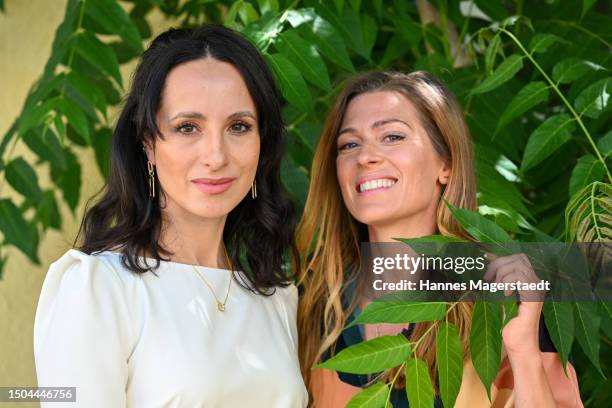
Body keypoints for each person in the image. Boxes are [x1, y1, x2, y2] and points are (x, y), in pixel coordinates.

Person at [34, 24, 307, 407]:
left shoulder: (276, 296)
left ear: (263, 142)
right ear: (148, 143)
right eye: (187, 127)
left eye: (239, 126)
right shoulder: (99, 288)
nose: (216, 156)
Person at [296, 71, 582, 407]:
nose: (365, 156)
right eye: (349, 144)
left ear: (445, 163)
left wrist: (523, 351)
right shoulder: (309, 303)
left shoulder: (501, 295)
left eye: (391, 137)